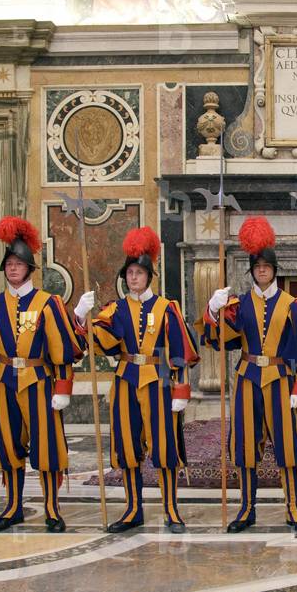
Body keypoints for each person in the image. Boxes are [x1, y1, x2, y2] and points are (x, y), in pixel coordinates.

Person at [0, 216, 85, 533]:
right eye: (8, 264)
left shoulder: (48, 303)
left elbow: (62, 348)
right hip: (4, 381)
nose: (12, 268)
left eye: (18, 263)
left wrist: (63, 387)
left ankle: (52, 508)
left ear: (29, 267)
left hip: (39, 382)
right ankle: (12, 508)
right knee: (8, 447)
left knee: (47, 447)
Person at [200, 217, 297, 534]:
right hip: (247, 379)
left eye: (267, 266)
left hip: (280, 379)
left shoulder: (291, 304)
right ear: (252, 270)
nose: (262, 271)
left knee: (287, 444)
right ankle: (246, 508)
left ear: (274, 269)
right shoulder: (238, 304)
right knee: (244, 445)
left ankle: (293, 507)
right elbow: (220, 340)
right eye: (258, 267)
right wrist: (213, 311)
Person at [88, 226, 199, 534]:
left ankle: (171, 510)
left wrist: (181, 388)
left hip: (159, 379)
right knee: (127, 447)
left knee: (164, 447)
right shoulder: (115, 309)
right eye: (129, 273)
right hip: (125, 379)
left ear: (150, 275)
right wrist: (83, 318)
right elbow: (100, 340)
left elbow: (179, 350)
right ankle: (133, 508)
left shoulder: (166, 308)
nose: (133, 278)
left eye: (138, 273)